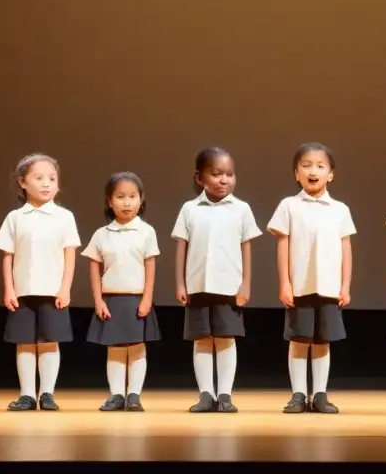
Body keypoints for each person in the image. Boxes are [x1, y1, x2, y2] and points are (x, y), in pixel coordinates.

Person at [268, 142, 355, 414]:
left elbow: (346, 249)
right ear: (296, 173)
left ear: (331, 174)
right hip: (300, 286)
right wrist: (285, 283)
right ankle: (297, 394)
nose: (313, 170)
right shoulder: (289, 205)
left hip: (328, 286)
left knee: (322, 341)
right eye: (306, 165)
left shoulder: (340, 209)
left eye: (320, 165)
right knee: (299, 339)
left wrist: (345, 286)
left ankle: (319, 394)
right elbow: (283, 245)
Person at [173, 147, 261, 413]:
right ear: (200, 178)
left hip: (229, 286)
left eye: (230, 174)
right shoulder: (189, 209)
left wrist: (246, 283)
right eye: (216, 174)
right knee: (201, 339)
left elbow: (246, 247)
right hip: (197, 284)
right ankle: (205, 394)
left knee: (225, 339)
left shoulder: (241, 209)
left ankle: (225, 394)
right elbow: (182, 248)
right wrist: (180, 283)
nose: (224, 180)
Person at [0, 153, 81, 411]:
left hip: (53, 291)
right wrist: (9, 288)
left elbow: (69, 255)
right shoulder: (15, 218)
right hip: (23, 291)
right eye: (39, 178)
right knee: (25, 342)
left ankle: (47, 393)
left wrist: (65, 288)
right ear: (22, 182)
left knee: (49, 342)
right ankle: (27, 394)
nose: (47, 184)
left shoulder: (64, 217)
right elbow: (8, 256)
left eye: (52, 178)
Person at [84, 172, 161, 412]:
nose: (127, 203)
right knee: (115, 349)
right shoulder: (101, 234)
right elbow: (94, 269)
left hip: (137, 299)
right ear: (109, 201)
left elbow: (150, 266)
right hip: (111, 299)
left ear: (141, 199)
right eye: (120, 197)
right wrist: (98, 301)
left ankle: (134, 395)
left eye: (132, 196)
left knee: (137, 349)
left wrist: (147, 298)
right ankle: (116, 394)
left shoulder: (146, 232)